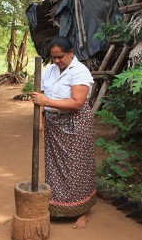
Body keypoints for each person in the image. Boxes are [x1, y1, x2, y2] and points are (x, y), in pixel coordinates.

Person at [31, 36, 96, 229]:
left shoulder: (80, 72)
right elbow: (38, 96)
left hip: (75, 124)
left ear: (71, 53)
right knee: (55, 167)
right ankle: (58, 207)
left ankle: (82, 211)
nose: (57, 61)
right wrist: (41, 119)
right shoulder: (49, 70)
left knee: (77, 167)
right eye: (53, 57)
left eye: (60, 57)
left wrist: (46, 103)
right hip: (54, 124)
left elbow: (76, 103)